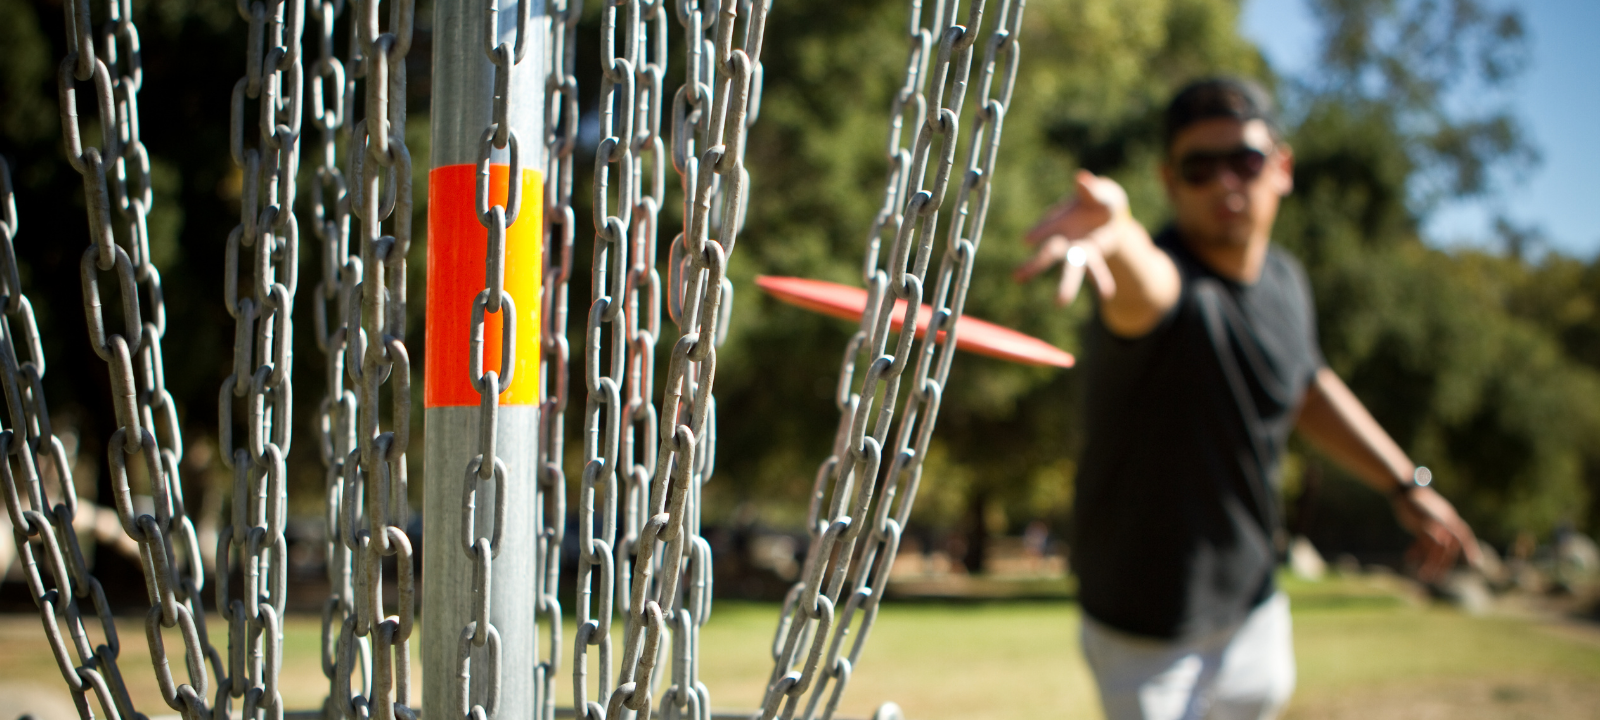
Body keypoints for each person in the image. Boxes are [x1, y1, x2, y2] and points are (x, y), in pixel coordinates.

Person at [1014, 77, 1483, 720]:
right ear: (1170, 181)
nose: (1226, 183)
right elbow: (1144, 287)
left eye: (1245, 160)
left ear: (1282, 168)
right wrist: (1118, 234)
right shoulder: (1169, 281)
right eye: (1198, 168)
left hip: (1254, 606)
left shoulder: (1286, 282)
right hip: (1147, 631)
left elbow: (1305, 385)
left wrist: (1406, 482)